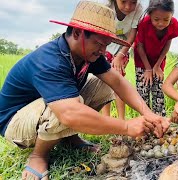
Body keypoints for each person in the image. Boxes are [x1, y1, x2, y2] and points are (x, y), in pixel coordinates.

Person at [0, 1, 169, 179]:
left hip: (44, 108)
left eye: (106, 45)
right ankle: (38, 155)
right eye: (99, 44)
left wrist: (148, 113)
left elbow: (117, 82)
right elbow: (70, 113)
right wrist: (126, 126)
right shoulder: (50, 60)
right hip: (15, 122)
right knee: (71, 107)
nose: (103, 51)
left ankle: (69, 138)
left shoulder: (88, 54)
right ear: (78, 33)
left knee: (102, 84)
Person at [133, 0, 178, 117]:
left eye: (166, 20)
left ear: (171, 16)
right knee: (143, 90)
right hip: (142, 61)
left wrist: (157, 66)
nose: (161, 23)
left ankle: (160, 121)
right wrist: (148, 69)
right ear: (150, 14)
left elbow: (167, 44)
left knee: (158, 91)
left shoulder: (173, 24)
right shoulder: (144, 23)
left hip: (158, 61)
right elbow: (140, 46)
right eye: (156, 19)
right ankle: (145, 121)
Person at [100, 0, 143, 120]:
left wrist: (120, 55)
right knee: (104, 81)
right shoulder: (106, 7)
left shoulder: (138, 9)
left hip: (124, 46)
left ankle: (121, 120)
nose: (128, 7)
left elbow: (132, 35)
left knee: (118, 81)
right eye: (123, 1)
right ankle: (106, 119)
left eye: (133, 2)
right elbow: (101, 32)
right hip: (105, 43)